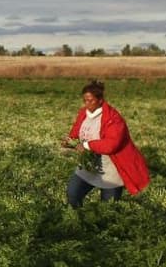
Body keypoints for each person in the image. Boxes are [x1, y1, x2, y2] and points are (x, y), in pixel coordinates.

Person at [62, 79, 150, 208]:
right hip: (88, 166)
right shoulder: (83, 113)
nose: (87, 104)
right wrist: (70, 140)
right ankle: (79, 221)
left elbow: (111, 144)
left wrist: (87, 145)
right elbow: (76, 130)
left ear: (100, 100)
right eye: (85, 100)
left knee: (108, 209)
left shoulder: (113, 118)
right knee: (73, 194)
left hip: (110, 170)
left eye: (90, 101)